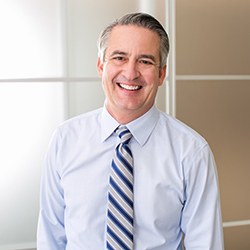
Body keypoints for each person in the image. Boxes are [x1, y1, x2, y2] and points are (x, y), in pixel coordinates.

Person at [37, 12, 224, 249]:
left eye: (145, 61)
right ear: (100, 66)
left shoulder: (192, 151)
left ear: (161, 74)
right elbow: (51, 238)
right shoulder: (65, 139)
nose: (130, 73)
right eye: (119, 58)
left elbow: (205, 244)